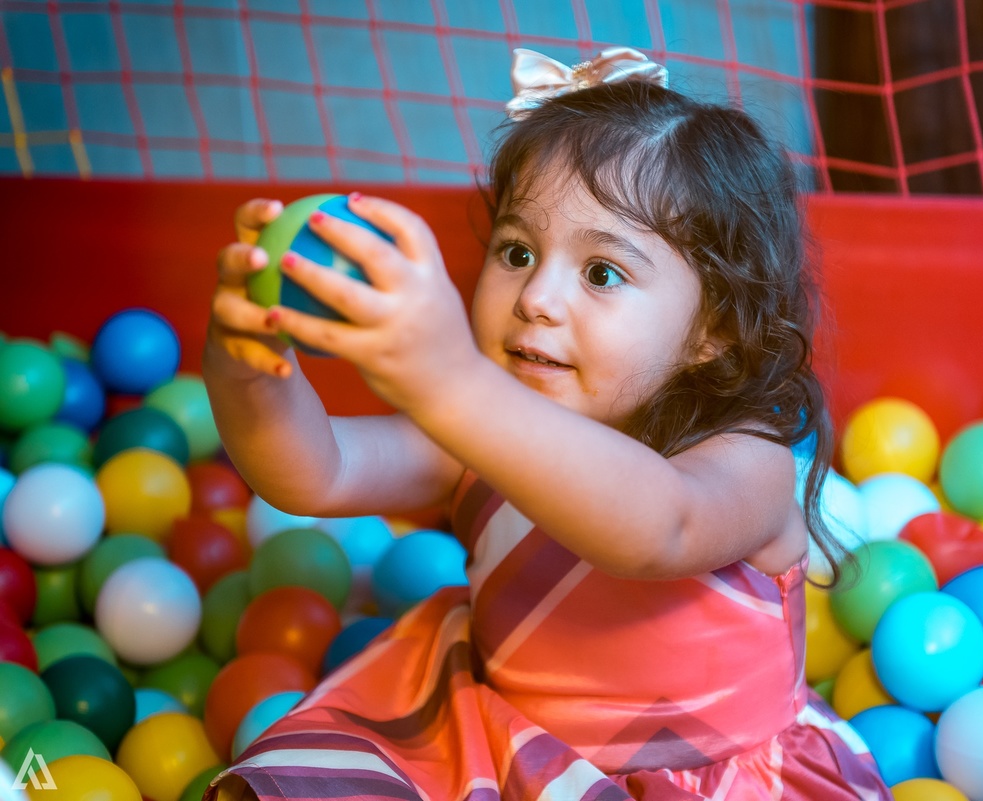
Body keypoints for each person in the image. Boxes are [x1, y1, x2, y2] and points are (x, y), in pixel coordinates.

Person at [203, 46, 891, 801]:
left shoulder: (745, 461)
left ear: (714, 329)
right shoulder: (478, 427)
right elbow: (316, 470)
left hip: (709, 781)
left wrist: (451, 382)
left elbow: (658, 526)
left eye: (602, 273)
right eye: (518, 250)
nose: (535, 296)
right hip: (496, 746)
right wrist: (248, 367)